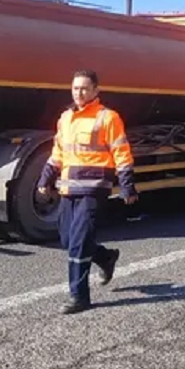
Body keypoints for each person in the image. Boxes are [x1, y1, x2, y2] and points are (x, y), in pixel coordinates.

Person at [38, 69, 137, 315]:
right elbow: (58, 153)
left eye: (84, 88)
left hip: (93, 189)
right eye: (75, 88)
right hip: (68, 187)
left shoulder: (108, 118)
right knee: (67, 240)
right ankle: (105, 258)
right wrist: (45, 178)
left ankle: (79, 297)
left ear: (95, 91)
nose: (79, 93)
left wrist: (127, 185)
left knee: (79, 244)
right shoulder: (65, 118)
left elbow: (121, 153)